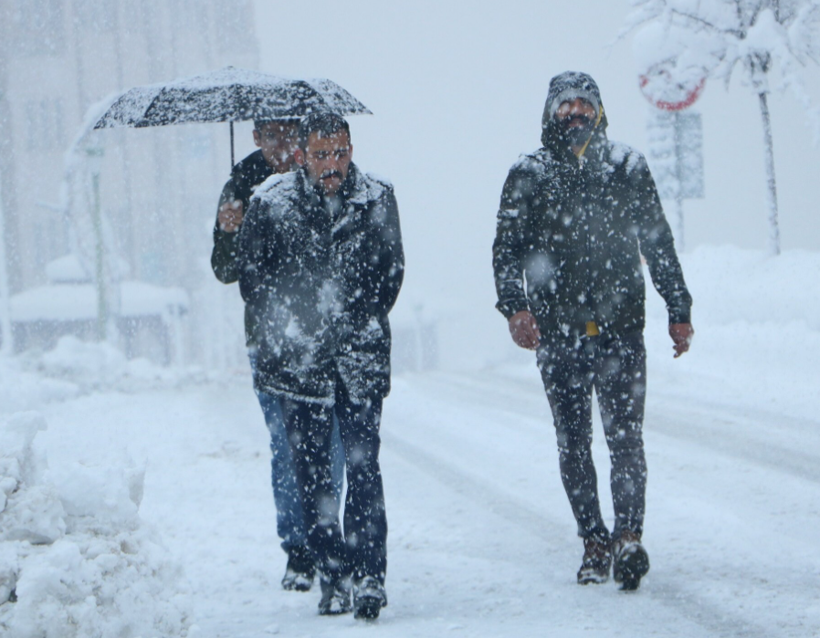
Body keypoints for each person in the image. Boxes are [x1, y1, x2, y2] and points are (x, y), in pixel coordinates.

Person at [492, 71, 694, 591]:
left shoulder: (626, 167)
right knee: (574, 442)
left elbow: (657, 240)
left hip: (620, 327)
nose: (576, 112)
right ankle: (594, 541)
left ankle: (628, 537)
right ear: (550, 112)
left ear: (600, 110)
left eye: (585, 103)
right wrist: (515, 307)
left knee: (625, 440)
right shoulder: (528, 173)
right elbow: (505, 248)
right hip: (558, 334)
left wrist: (678, 305)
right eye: (566, 105)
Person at [238, 111, 404, 619]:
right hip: (299, 362)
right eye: (321, 155)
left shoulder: (377, 197)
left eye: (339, 153)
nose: (332, 165)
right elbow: (252, 280)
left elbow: (390, 273)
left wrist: (347, 313)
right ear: (302, 156)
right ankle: (332, 572)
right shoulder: (270, 203)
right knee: (312, 474)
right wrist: (296, 321)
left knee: (363, 467)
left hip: (359, 357)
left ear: (350, 149)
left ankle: (370, 574)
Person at [210, 118, 344, 592]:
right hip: (271, 340)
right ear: (256, 138)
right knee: (287, 447)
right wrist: (230, 231)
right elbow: (226, 271)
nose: (283, 147)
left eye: (290, 136)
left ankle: (330, 540)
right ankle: (299, 549)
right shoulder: (242, 182)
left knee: (332, 445)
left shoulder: (324, 172)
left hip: (326, 337)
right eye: (272, 137)